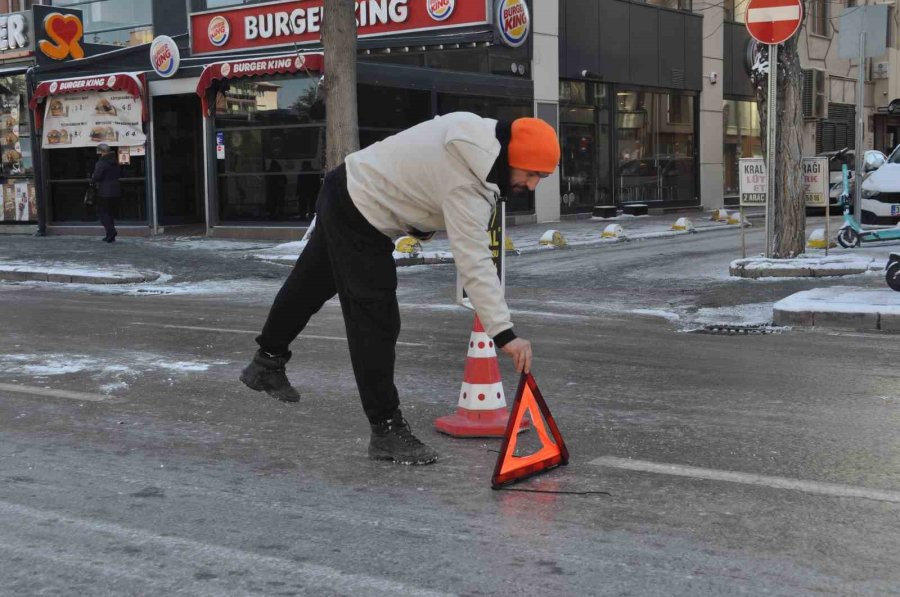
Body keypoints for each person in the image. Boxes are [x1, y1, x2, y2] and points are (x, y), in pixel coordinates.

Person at [240, 113, 560, 465]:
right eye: (531, 174)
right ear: (513, 157)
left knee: (309, 284)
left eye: (540, 178)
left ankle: (266, 361)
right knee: (376, 319)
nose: (532, 186)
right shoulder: (467, 185)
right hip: (361, 214)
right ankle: (386, 430)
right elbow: (474, 263)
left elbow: (416, 168)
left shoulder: (472, 128)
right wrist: (504, 334)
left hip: (345, 183)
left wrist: (419, 218)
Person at [91, 143, 121, 243]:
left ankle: (111, 232)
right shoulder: (115, 162)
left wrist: (92, 179)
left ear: (101, 152)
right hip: (116, 190)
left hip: (104, 191)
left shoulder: (101, 162)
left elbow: (97, 176)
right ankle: (110, 235)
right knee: (110, 214)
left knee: (102, 213)